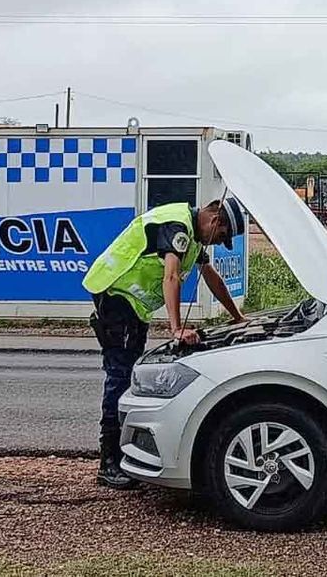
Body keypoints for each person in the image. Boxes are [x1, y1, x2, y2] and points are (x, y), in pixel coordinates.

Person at [81, 197, 248, 488]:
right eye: (222, 236)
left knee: (128, 373)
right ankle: (108, 463)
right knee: (120, 376)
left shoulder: (194, 238)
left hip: (132, 304)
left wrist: (238, 317)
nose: (220, 243)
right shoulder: (178, 226)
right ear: (214, 218)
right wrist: (176, 329)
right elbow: (171, 276)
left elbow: (211, 277)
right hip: (116, 294)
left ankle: (122, 457)